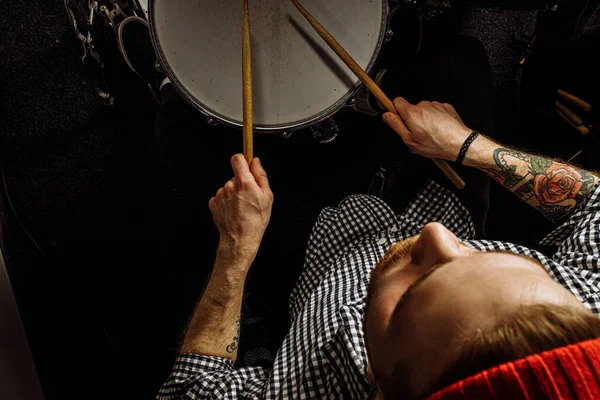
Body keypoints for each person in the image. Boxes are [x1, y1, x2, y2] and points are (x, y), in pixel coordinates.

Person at [149, 34, 600, 400]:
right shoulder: (587, 309)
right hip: (439, 194)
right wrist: (468, 146)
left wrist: (235, 249)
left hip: (313, 252)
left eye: (415, 294)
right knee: (458, 56)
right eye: (478, 257)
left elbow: (191, 389)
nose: (435, 237)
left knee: (177, 125)